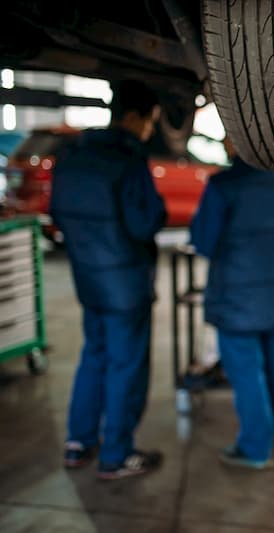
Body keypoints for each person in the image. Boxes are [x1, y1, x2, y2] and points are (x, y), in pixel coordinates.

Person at [51, 80, 166, 479]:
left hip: (88, 280)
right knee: (126, 366)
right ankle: (116, 455)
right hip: (126, 284)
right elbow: (146, 221)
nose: (150, 131)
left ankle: (78, 442)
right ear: (132, 117)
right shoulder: (129, 159)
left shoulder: (74, 153)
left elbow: (59, 214)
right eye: (150, 122)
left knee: (94, 356)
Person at [190, 136, 274, 469]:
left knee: (246, 374)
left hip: (238, 299)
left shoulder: (225, 185)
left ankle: (255, 448)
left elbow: (203, 242)